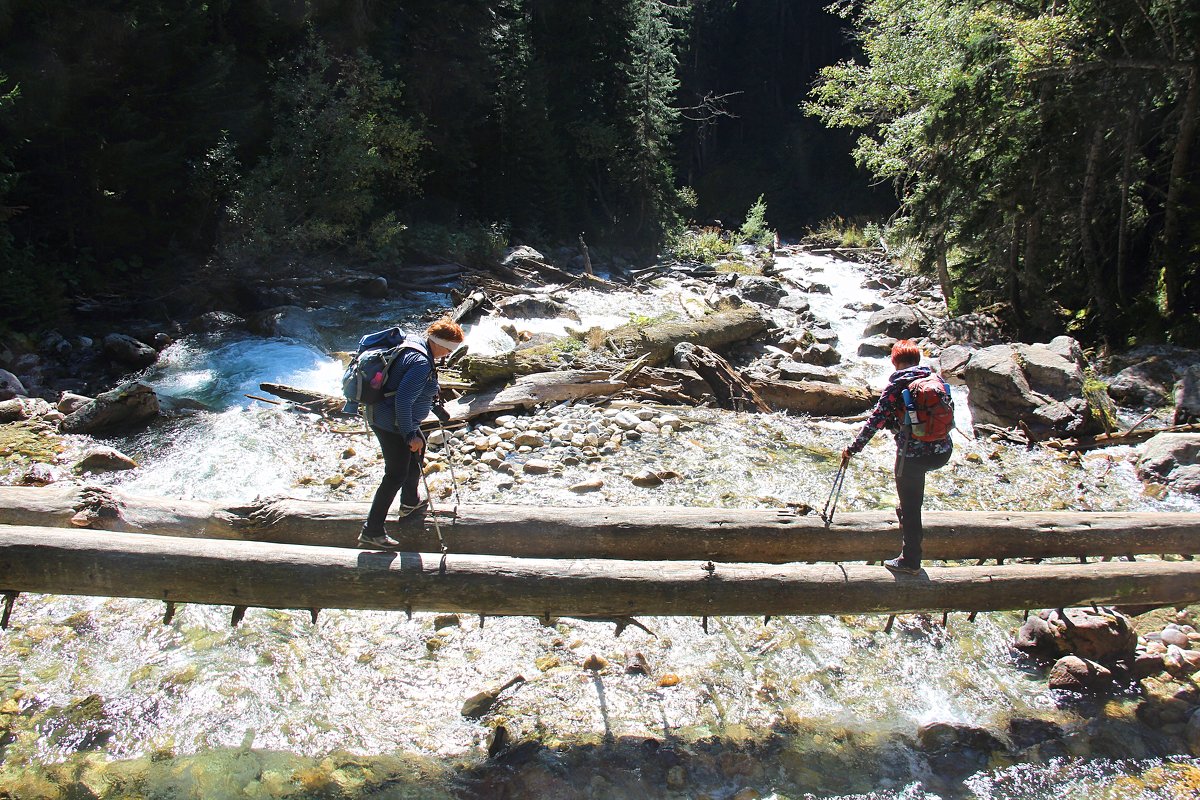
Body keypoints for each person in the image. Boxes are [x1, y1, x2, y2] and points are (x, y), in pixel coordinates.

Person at [840, 339, 952, 574]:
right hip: (943, 452)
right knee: (911, 501)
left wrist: (852, 449)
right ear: (917, 360)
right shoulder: (936, 379)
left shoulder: (897, 386)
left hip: (911, 456)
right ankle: (905, 522)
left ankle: (910, 561)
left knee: (912, 506)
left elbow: (874, 422)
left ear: (894, 361)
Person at [358, 317, 465, 549]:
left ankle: (409, 502)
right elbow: (403, 401)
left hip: (392, 417)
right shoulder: (420, 363)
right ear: (437, 343)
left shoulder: (418, 344)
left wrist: (432, 405)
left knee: (419, 449)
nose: (447, 355)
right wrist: (409, 435)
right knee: (395, 474)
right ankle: (372, 530)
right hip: (390, 422)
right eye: (447, 350)